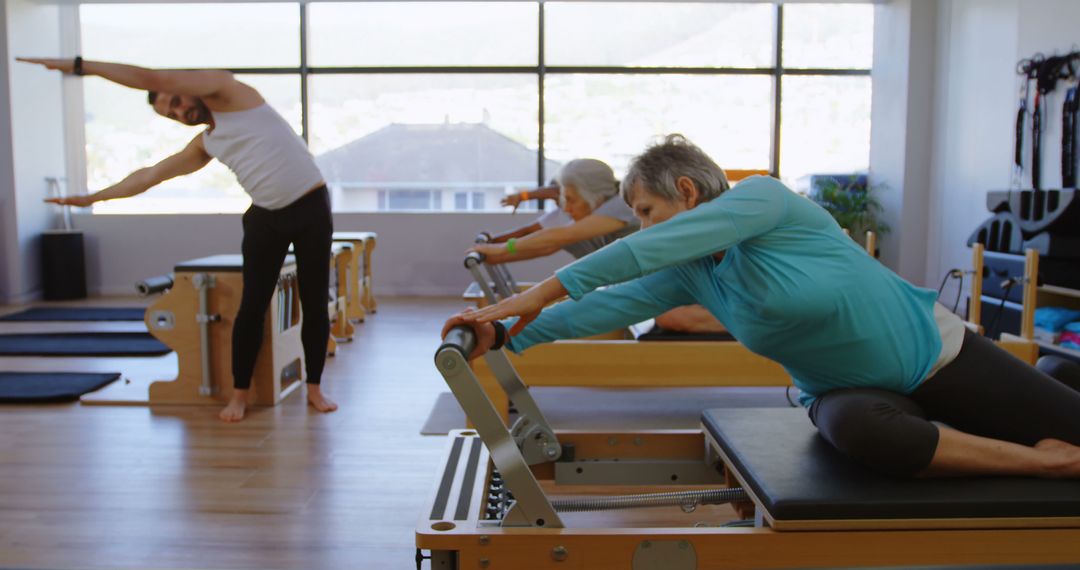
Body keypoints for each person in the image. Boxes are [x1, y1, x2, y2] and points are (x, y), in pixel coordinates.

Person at [446, 134, 1080, 479]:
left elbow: (630, 260)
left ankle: (1058, 380)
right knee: (860, 433)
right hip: (847, 393)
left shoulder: (765, 202)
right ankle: (1044, 463)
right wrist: (501, 336)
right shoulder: (692, 271)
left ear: (688, 191)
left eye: (645, 213)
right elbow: (607, 304)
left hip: (942, 358)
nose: (641, 231)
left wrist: (530, 294)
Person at [19, 57, 338, 422]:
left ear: (185, 85)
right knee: (251, 307)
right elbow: (149, 176)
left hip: (311, 206)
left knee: (313, 301)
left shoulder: (231, 92)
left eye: (176, 101)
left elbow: (149, 76)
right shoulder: (206, 142)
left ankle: (314, 388)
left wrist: (81, 66)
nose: (180, 111)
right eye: (172, 114)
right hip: (265, 218)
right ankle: (239, 395)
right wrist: (91, 199)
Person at [473, 158, 725, 334]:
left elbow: (559, 237)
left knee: (671, 318)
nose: (567, 207)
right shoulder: (595, 210)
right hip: (655, 283)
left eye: (571, 199)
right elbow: (546, 243)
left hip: (679, 282)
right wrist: (498, 253)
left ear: (590, 193)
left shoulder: (618, 204)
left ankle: (742, 320)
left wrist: (502, 250)